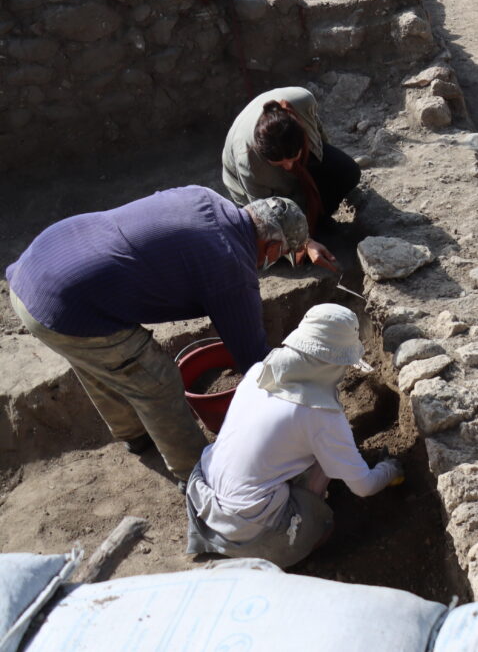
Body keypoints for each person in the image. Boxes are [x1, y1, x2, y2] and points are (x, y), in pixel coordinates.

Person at [5, 189, 312, 479]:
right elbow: (254, 362)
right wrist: (297, 404)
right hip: (65, 304)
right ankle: (194, 474)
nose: (270, 263)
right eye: (279, 255)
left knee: (105, 364)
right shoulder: (231, 266)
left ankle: (135, 435)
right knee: (157, 381)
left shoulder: (205, 198)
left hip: (39, 265)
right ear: (272, 246)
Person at [184, 304, 402, 568]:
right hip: (246, 530)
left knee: (306, 448)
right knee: (325, 485)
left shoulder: (259, 372)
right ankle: (297, 540)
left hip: (202, 492)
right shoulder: (321, 416)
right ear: (336, 363)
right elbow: (364, 487)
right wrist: (390, 468)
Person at [222, 87, 360, 258]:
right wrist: (305, 243)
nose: (288, 167)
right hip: (250, 185)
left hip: (296, 151)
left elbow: (318, 134)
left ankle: (320, 220)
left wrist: (322, 171)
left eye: (293, 158)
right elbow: (265, 216)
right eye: (280, 163)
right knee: (282, 251)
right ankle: (309, 233)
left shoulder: (303, 101)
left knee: (347, 171)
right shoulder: (249, 164)